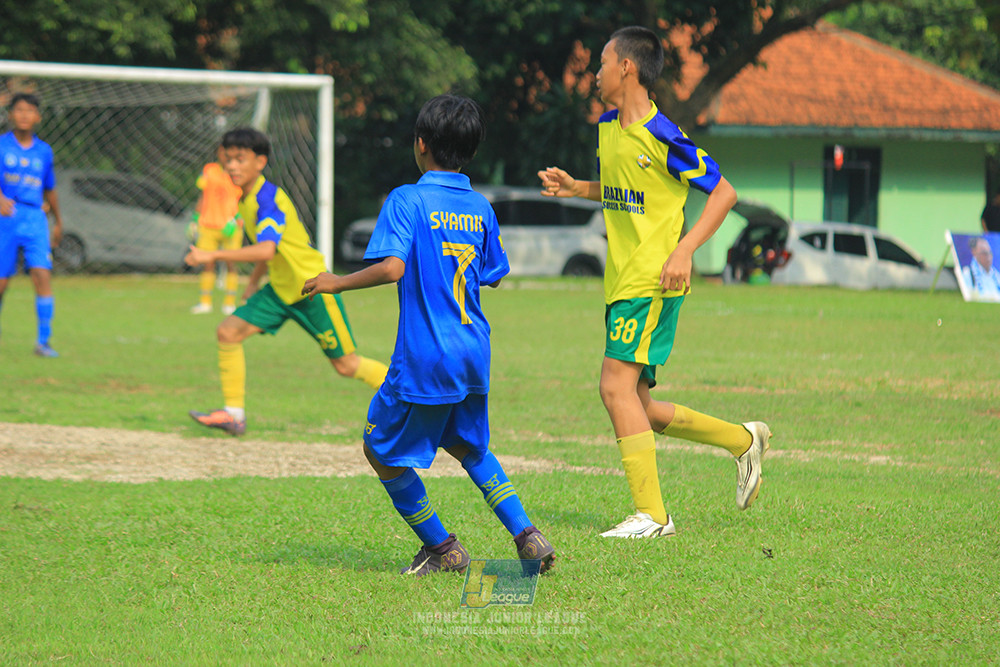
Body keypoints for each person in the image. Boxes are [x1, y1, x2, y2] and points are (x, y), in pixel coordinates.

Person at [302, 94, 555, 577]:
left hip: (426, 355)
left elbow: (392, 267)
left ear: (421, 144)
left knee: (378, 449)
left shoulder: (407, 199)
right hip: (472, 349)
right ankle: (528, 536)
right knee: (469, 447)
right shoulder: (480, 206)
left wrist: (336, 282)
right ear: (471, 150)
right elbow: (493, 274)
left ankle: (442, 548)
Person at [537, 26, 771, 539]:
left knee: (613, 386)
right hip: (621, 282)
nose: (595, 73)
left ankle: (654, 516)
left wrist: (685, 250)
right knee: (639, 405)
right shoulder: (607, 127)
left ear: (627, 68)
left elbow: (724, 193)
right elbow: (625, 189)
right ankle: (742, 440)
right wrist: (577, 187)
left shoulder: (663, 135)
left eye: (602, 62)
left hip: (652, 281)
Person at [185, 127, 388, 436]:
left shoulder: (268, 199)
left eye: (240, 159)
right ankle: (233, 415)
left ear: (260, 161)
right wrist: (253, 282)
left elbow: (266, 248)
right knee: (228, 332)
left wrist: (210, 254)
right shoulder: (245, 199)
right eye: (228, 159)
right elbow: (270, 251)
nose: (232, 166)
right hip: (281, 290)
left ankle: (414, 399)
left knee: (346, 366)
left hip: (313, 288)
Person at [0, 93, 64, 358]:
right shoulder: (2, 145)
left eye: (29, 110)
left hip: (35, 217)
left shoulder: (44, 151)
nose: (24, 114)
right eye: (19, 109)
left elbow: (50, 188)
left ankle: (43, 342)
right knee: (2, 283)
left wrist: (58, 221)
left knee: (42, 275)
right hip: (6, 218)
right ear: (11, 114)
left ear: (37, 116)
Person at [189, 145, 244, 315]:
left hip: (230, 226)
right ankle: (205, 302)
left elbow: (244, 199)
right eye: (224, 152)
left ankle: (230, 303)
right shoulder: (209, 170)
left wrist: (236, 219)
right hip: (208, 224)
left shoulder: (240, 173)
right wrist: (195, 219)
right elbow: (203, 195)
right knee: (207, 263)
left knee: (231, 263)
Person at [963, 236, 1000, 301]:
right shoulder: (968, 274)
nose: (988, 257)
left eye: (990, 253)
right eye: (984, 253)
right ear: (974, 252)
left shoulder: (997, 275)